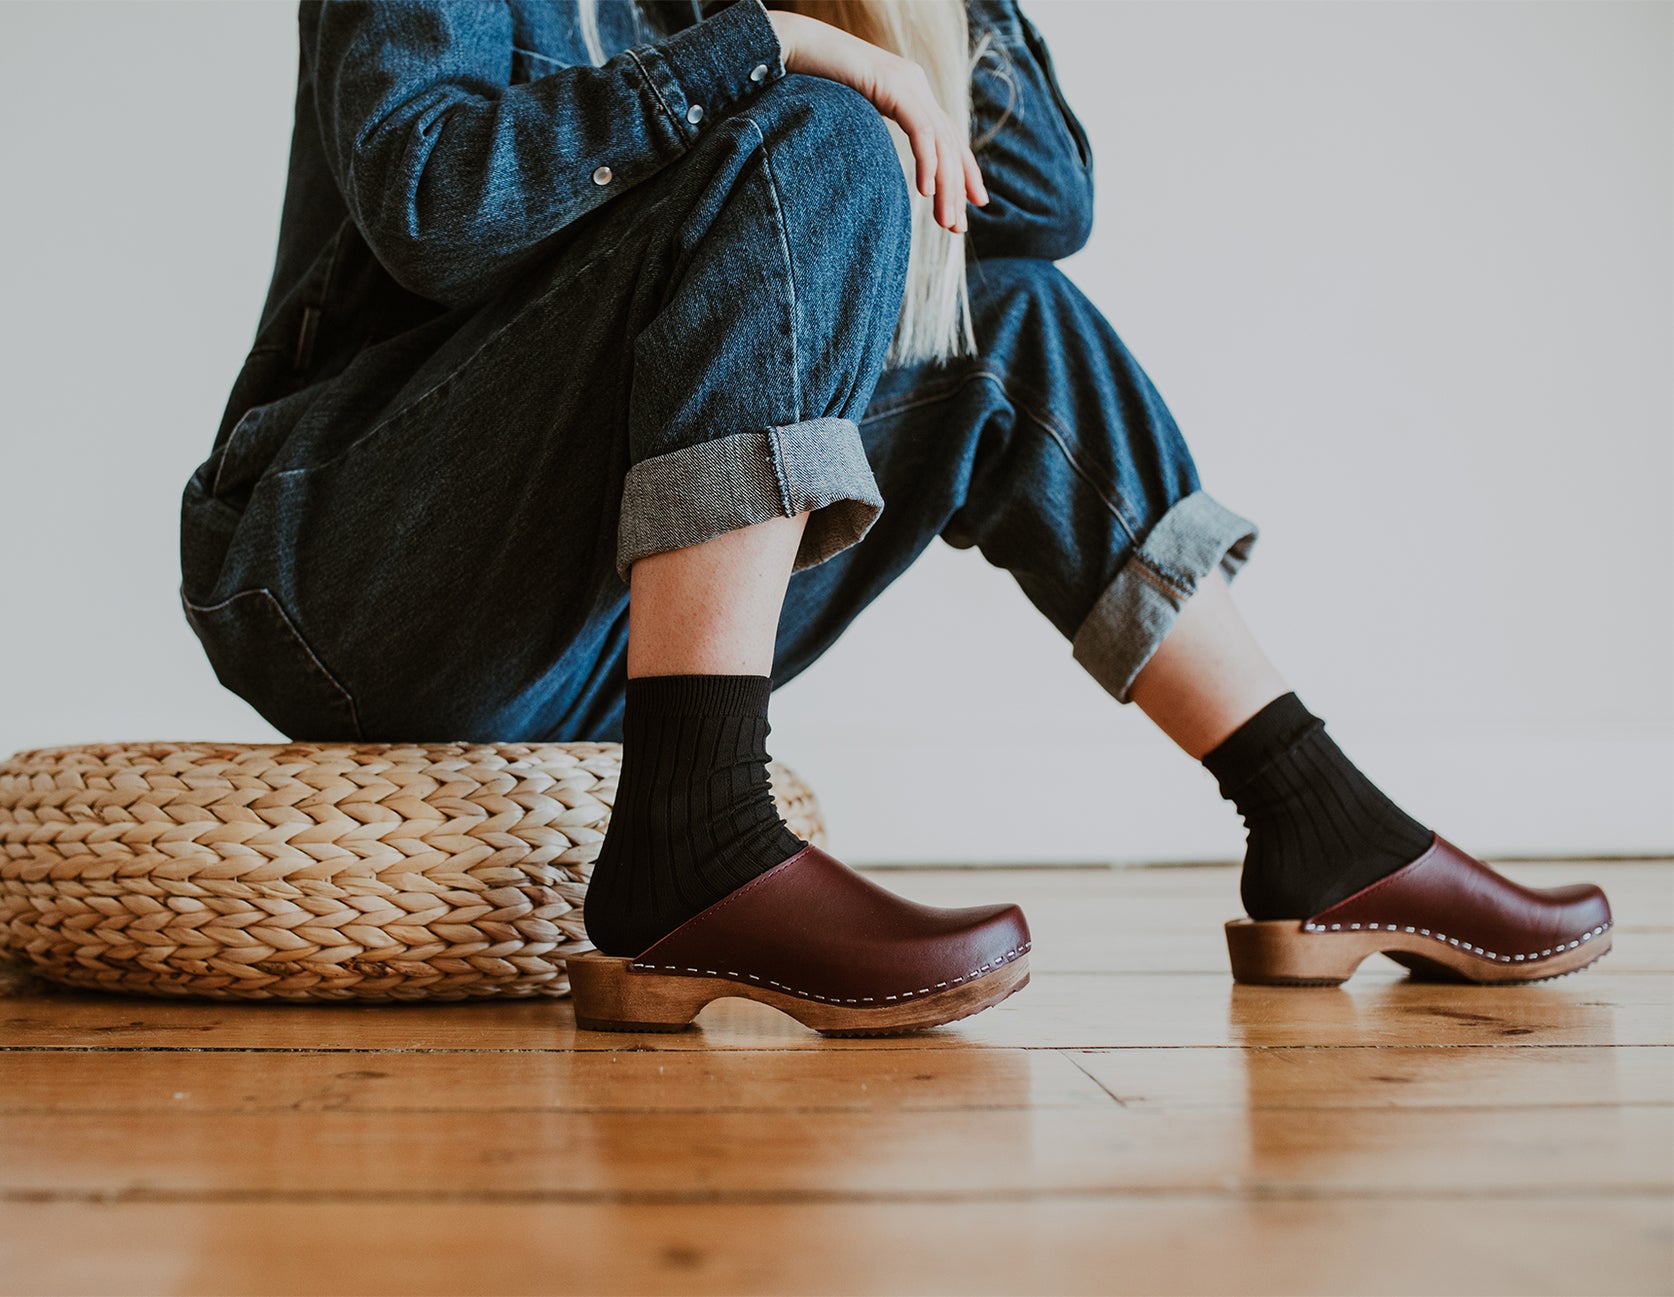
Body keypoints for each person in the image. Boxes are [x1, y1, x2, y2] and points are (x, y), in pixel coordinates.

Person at [177, 0, 1613, 1036]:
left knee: (1004, 318)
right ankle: (695, 827)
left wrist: (881, 20)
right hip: (341, 571)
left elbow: (1039, 202)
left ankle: (1314, 818)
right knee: (819, 128)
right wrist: (769, 46)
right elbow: (430, 202)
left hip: (577, 625)